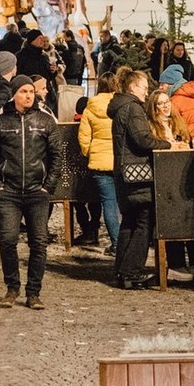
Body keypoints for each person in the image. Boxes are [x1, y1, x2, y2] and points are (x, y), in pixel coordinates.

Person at [0, 73, 63, 309]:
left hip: (38, 192)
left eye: (31, 91)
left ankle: (33, 292)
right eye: (23, 92)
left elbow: (57, 155)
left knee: (39, 242)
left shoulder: (45, 120)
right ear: (14, 94)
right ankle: (12, 288)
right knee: (8, 240)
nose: (28, 95)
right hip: (9, 192)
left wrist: (49, 186)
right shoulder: (1, 122)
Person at [109, 66, 170, 289]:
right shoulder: (133, 109)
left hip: (124, 174)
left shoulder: (120, 108)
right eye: (144, 88)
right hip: (138, 176)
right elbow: (143, 140)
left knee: (130, 222)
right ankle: (131, 272)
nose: (147, 92)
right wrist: (168, 144)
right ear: (133, 87)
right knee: (144, 223)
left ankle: (121, 272)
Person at [78, 73, 118, 252]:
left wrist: (90, 153)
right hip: (120, 160)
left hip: (100, 163)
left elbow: (84, 138)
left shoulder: (90, 107)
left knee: (108, 203)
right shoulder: (121, 105)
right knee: (121, 204)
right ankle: (125, 244)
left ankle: (116, 243)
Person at [164, 64, 194, 142]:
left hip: (188, 142)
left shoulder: (174, 101)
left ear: (171, 84)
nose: (160, 87)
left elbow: (174, 126)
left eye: (162, 84)